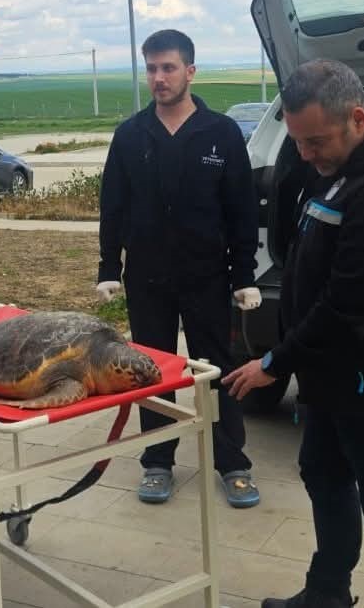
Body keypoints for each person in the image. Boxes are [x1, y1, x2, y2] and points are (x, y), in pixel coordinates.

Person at [224, 59, 364, 608]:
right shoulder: (342, 167)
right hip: (334, 379)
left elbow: (348, 308)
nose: (305, 156)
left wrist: (274, 362)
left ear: (356, 118)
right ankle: (327, 595)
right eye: (297, 142)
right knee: (324, 478)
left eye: (315, 142)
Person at [96, 29, 261, 507]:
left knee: (218, 370)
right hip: (147, 280)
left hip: (208, 278)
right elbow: (114, 206)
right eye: (151, 69)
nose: (158, 78)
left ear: (190, 71)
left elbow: (241, 212)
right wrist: (110, 265)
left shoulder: (221, 134)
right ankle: (157, 462)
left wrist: (244, 276)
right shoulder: (131, 134)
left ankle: (231, 462)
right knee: (153, 372)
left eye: (168, 68)